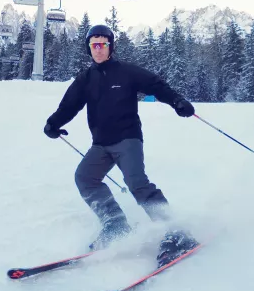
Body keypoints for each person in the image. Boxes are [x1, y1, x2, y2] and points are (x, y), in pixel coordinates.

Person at [43, 24, 199, 266]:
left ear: (110, 47)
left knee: (137, 183)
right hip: (101, 145)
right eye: (94, 44)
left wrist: (177, 100)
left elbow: (156, 85)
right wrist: (53, 123)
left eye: (103, 44)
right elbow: (69, 106)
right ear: (89, 48)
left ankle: (176, 232)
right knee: (85, 177)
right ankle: (115, 225)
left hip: (128, 139)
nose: (98, 49)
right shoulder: (85, 79)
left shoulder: (126, 72)